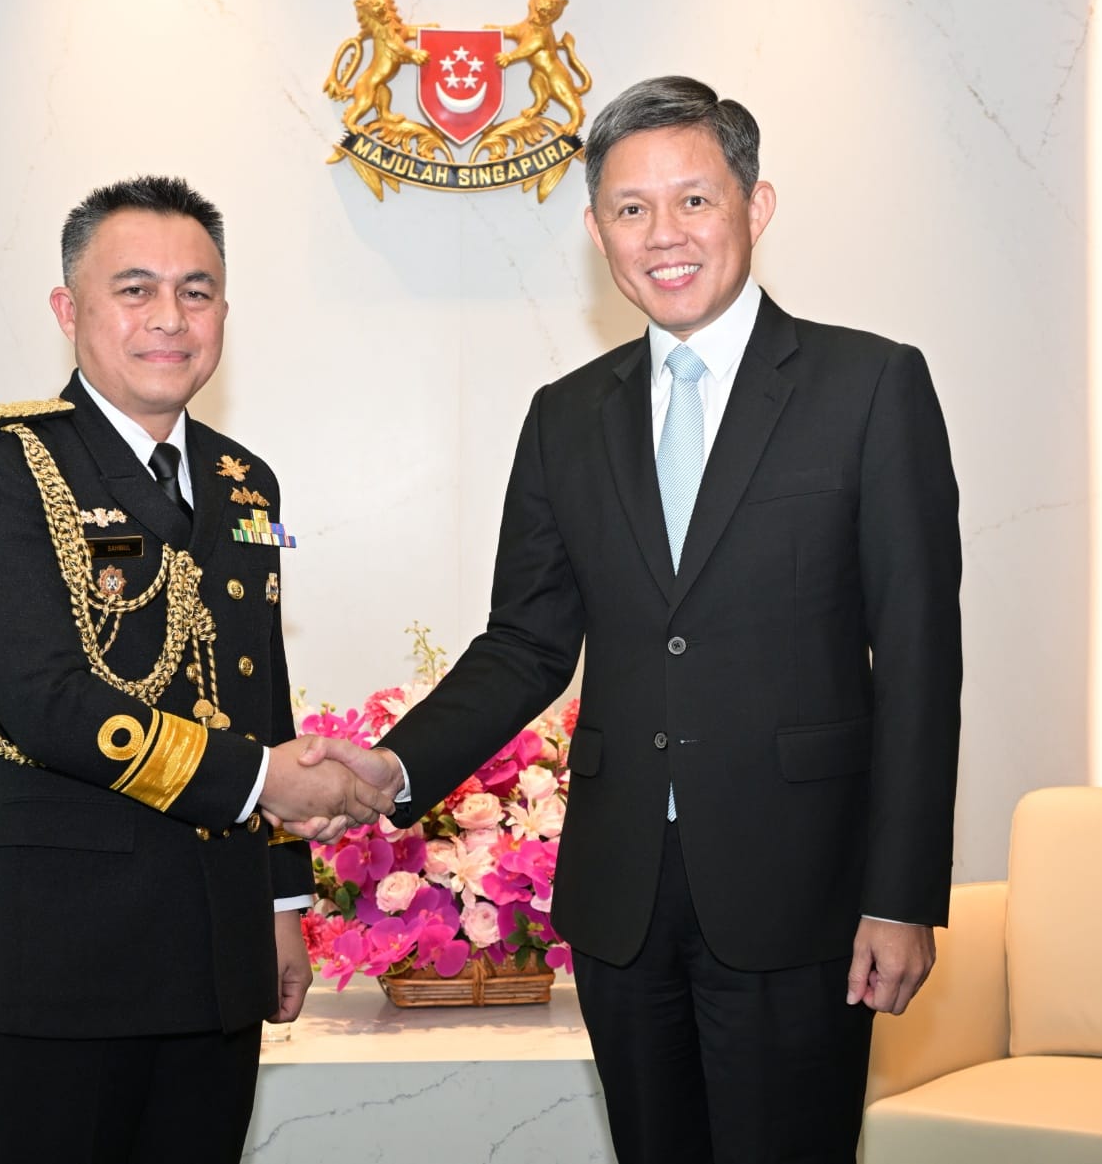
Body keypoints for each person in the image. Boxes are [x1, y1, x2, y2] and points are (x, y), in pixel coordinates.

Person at [326, 76, 963, 1161]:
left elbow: (917, 661)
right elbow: (526, 644)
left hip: (800, 894)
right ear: (595, 232)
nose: (663, 235)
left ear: (756, 207)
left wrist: (902, 898)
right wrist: (387, 773)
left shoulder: (869, 387)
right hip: (622, 901)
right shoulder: (566, 416)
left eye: (694, 201)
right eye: (631, 209)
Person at [0, 175, 396, 1162]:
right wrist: (266, 780)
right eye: (134, 290)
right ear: (69, 310)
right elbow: (42, 703)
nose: (169, 320)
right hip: (59, 957)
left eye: (197, 290)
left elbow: (256, 692)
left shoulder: (239, 478)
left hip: (215, 952)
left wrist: (281, 905)